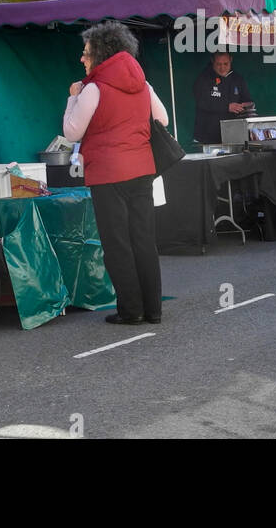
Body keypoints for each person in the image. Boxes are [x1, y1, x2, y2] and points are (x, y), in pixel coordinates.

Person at [62, 21, 169, 326]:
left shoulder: (93, 89)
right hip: (142, 170)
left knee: (117, 243)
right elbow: (162, 120)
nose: (82, 59)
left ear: (100, 53)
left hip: (108, 175)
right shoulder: (143, 83)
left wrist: (72, 97)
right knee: (144, 240)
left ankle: (131, 310)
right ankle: (153, 310)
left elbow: (72, 132)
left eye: (86, 53)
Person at [192, 52, 252, 144]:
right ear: (212, 61)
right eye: (219, 64)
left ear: (231, 60)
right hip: (208, 136)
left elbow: (247, 100)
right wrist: (227, 106)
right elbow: (202, 102)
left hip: (233, 134)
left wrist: (247, 105)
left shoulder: (237, 78)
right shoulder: (203, 78)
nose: (222, 67)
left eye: (225, 64)